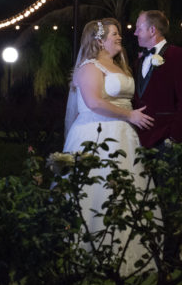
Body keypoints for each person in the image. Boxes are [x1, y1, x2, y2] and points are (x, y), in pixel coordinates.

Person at [63, 17, 156, 271]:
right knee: (98, 189)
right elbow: (93, 103)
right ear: (99, 40)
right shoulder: (89, 67)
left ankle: (128, 251)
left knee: (127, 189)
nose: (119, 38)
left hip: (125, 135)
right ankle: (91, 252)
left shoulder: (121, 66)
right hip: (97, 134)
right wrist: (130, 115)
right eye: (114, 34)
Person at [132, 10, 182, 148]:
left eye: (139, 28)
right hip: (140, 139)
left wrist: (174, 136)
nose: (135, 33)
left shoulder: (178, 55)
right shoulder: (139, 60)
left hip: (166, 138)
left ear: (152, 30)